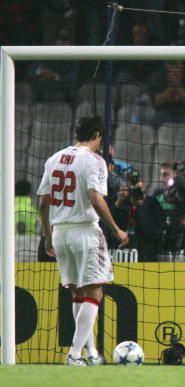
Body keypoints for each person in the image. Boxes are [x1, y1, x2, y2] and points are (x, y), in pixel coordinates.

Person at [37, 116, 129, 366]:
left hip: (60, 233)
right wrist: (117, 230)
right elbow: (95, 198)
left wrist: (48, 236)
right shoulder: (94, 160)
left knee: (78, 291)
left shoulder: (54, 158)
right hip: (85, 231)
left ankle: (90, 353)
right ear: (98, 135)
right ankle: (74, 354)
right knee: (95, 291)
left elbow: (43, 202)